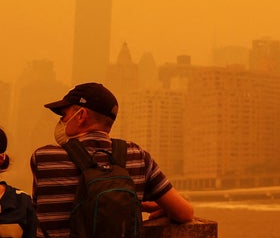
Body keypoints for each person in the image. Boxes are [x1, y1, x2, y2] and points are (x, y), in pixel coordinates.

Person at [30, 82, 195, 238]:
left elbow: (36, 214)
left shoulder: (44, 158)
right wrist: (153, 206)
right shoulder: (138, 156)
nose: (61, 122)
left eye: (64, 115)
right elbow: (184, 213)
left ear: (81, 115)